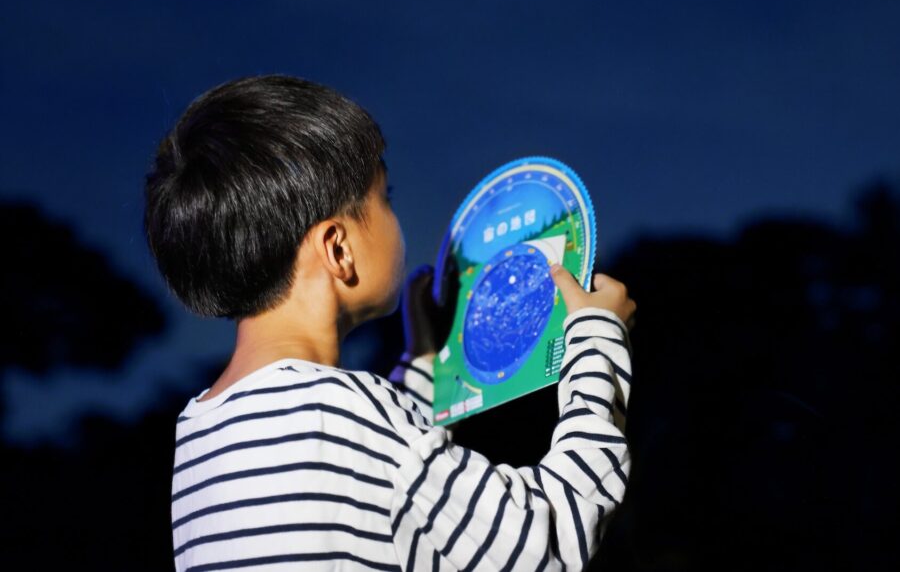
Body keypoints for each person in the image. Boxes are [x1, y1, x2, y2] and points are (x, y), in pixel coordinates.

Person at [145, 74, 637, 572]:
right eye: (387, 197)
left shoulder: (199, 432)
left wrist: (422, 362)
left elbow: (382, 482)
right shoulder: (348, 412)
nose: (396, 217)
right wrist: (598, 340)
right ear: (338, 249)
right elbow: (551, 538)